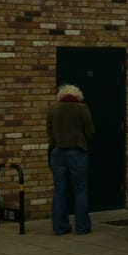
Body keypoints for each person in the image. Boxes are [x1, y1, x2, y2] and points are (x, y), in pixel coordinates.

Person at [47, 83, 95, 235]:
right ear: (78, 96)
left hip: (57, 152)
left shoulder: (53, 109)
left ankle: (60, 227)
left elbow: (49, 132)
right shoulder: (82, 109)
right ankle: (82, 227)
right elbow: (90, 131)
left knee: (59, 190)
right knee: (80, 190)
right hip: (77, 151)